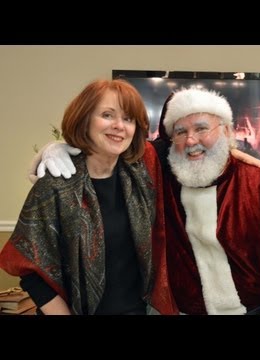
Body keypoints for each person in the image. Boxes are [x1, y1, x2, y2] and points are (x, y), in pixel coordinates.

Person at [32, 87, 260, 315]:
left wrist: (239, 155)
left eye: (203, 128)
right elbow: (110, 147)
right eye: (180, 132)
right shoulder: (158, 175)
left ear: (226, 131)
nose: (191, 141)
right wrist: (54, 148)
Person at [0, 79, 177, 315]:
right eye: (107, 115)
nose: (119, 126)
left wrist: (241, 156)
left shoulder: (144, 168)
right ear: (84, 119)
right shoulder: (56, 183)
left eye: (128, 118)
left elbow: (198, 146)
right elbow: (29, 268)